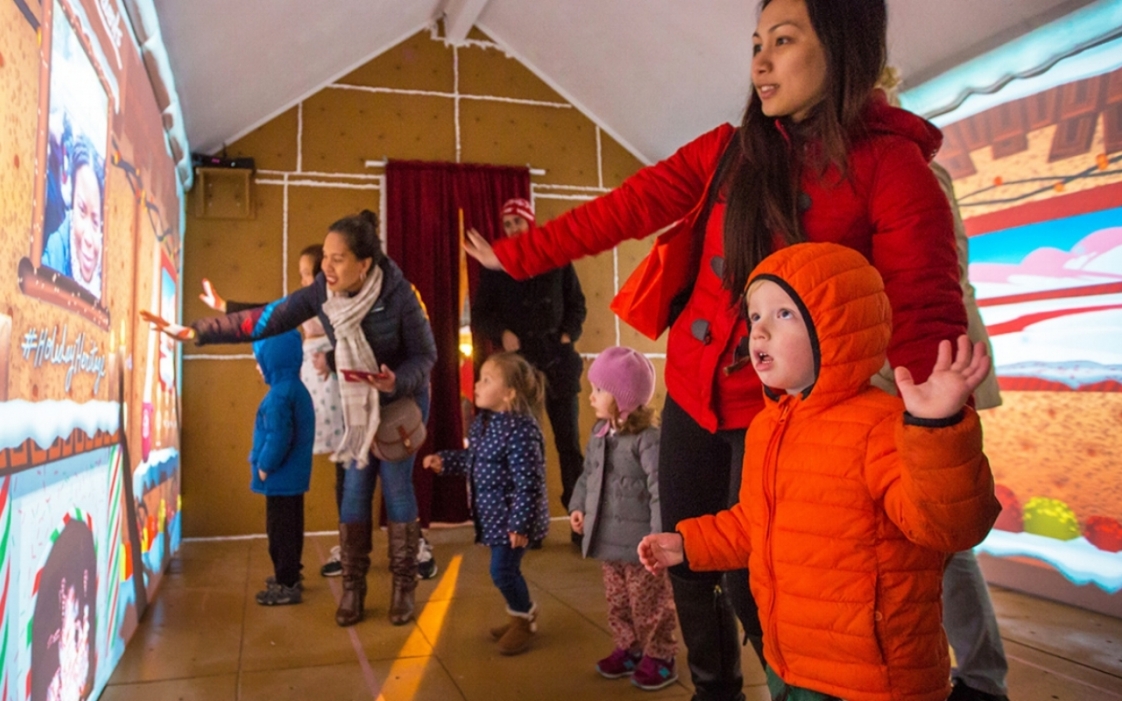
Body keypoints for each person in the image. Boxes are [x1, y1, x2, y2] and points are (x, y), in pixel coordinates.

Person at [464, 1, 967, 698]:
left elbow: (925, 309)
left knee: (755, 578)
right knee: (687, 562)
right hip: (696, 399)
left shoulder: (890, 165)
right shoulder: (727, 150)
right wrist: (518, 257)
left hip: (789, 419)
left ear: (844, 47)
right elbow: (623, 209)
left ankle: (797, 684)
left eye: (783, 42)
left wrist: (933, 426)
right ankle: (712, 689)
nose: (759, 61)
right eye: (756, 42)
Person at [639, 242, 1001, 701]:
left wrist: (936, 429)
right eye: (754, 317)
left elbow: (948, 528)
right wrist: (689, 543)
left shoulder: (879, 426)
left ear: (838, 325)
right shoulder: (767, 427)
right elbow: (755, 522)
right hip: (793, 665)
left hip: (873, 680)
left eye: (784, 314)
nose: (760, 332)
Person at [145, 210, 437, 627]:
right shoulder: (323, 290)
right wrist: (197, 331)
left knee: (394, 487)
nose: (326, 267)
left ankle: (403, 587)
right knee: (355, 490)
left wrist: (395, 381)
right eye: (326, 257)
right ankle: (353, 589)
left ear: (365, 264)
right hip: (358, 403)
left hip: (399, 398)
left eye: (338, 259)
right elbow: (269, 318)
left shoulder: (400, 294)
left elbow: (427, 356)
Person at [472, 198, 586, 540]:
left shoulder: (557, 258)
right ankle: (530, 525)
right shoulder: (495, 266)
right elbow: (481, 314)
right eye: (506, 225)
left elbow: (577, 304)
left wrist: (568, 334)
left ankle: (580, 522)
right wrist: (502, 333)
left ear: (530, 223)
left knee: (569, 445)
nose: (512, 230)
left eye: (517, 223)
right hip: (520, 368)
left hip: (558, 361)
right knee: (525, 449)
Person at [422, 352, 550, 656]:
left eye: (486, 380)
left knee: (502, 571)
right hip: (495, 519)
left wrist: (520, 524)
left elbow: (529, 482)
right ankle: (518, 615)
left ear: (508, 395)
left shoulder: (521, 431)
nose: (476, 385)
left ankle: (525, 618)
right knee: (503, 571)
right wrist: (446, 461)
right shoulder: (483, 424)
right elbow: (473, 460)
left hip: (513, 521)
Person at [569, 346, 678, 691]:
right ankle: (628, 648)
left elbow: (662, 488)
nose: (591, 397)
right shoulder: (600, 435)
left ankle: (661, 656)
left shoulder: (647, 441)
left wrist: (660, 537)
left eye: (599, 390)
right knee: (617, 601)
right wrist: (578, 507)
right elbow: (588, 476)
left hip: (642, 546)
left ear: (623, 398)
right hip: (607, 539)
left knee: (650, 604)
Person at [249, 330, 316, 606]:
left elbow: (279, 436)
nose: (257, 366)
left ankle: (286, 582)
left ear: (273, 360)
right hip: (292, 479)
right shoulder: (294, 388)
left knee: (280, 532)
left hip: (280, 477)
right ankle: (290, 574)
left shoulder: (279, 395)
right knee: (292, 528)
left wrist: (264, 466)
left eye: (260, 360)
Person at [42, 133, 104, 299]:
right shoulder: (54, 253)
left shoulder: (108, 271)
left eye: (96, 222)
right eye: (82, 211)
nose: (88, 239)